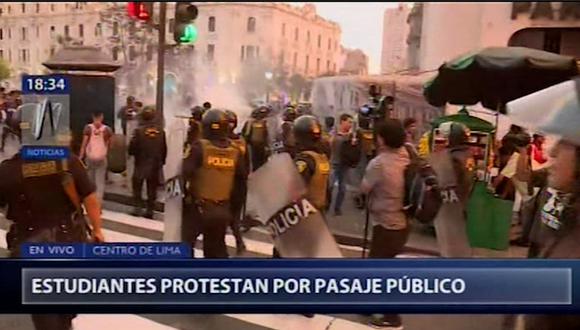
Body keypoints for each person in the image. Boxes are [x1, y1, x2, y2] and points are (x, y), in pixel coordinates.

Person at [0, 148, 104, 330]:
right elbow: (90, 197)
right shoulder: (67, 161)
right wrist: (97, 230)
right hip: (67, 240)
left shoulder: (8, 170)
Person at [360, 118, 410, 329]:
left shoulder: (379, 164)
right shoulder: (406, 155)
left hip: (386, 223)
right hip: (403, 222)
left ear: (382, 138)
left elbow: (364, 188)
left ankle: (392, 316)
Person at [182, 109, 246, 258]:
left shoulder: (199, 147)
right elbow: (241, 185)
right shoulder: (236, 151)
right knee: (216, 250)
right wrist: (233, 211)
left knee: (184, 245)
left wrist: (185, 199)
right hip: (222, 210)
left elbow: (184, 174)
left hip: (198, 209)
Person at [429, 122, 474, 258]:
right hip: (461, 202)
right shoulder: (466, 154)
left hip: (449, 202)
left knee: (450, 246)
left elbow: (444, 181)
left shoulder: (453, 158)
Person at [128, 106, 167, 219]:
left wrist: (133, 154)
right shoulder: (161, 132)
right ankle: (150, 211)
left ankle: (137, 208)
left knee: (137, 187)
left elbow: (132, 148)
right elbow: (164, 149)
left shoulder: (138, 131)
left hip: (140, 163)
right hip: (155, 164)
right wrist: (161, 162)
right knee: (152, 189)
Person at [225, 109, 248, 255]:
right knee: (233, 217)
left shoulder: (223, 143)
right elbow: (247, 166)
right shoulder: (242, 142)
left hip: (228, 184)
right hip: (240, 185)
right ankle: (239, 243)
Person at [79, 111, 113, 204]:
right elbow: (110, 145)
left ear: (93, 117)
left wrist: (81, 157)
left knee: (90, 181)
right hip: (101, 158)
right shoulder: (107, 130)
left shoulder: (88, 128)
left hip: (90, 158)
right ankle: (98, 204)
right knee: (100, 181)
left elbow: (84, 144)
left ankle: (89, 202)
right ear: (102, 117)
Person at [329, 113, 354, 216]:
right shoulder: (334, 133)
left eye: (351, 123)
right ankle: (326, 204)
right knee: (330, 186)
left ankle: (337, 208)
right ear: (342, 122)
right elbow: (329, 144)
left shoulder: (352, 136)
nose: (350, 125)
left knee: (342, 188)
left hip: (344, 164)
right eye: (349, 122)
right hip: (334, 163)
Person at [242, 105, 270, 171]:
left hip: (261, 146)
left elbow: (266, 135)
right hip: (252, 145)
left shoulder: (265, 123)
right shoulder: (250, 123)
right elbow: (245, 134)